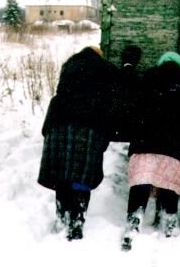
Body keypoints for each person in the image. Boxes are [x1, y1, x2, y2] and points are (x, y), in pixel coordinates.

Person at [37, 46, 119, 240]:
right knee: (82, 176)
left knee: (62, 175)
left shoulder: (69, 66)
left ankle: (61, 217)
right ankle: (77, 221)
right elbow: (115, 95)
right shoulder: (105, 68)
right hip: (89, 123)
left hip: (60, 120)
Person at [121, 51, 180, 251]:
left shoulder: (146, 80)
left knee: (141, 182)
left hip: (144, 142)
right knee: (168, 182)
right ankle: (169, 220)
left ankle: (134, 220)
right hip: (173, 147)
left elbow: (131, 107)